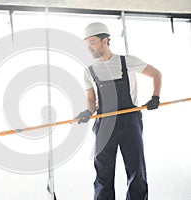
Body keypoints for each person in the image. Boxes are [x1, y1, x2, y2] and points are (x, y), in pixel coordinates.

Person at [75, 22, 162, 200]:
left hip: (129, 121)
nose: (89, 48)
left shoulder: (127, 61)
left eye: (92, 42)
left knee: (136, 170)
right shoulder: (89, 71)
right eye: (86, 44)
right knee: (103, 175)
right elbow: (91, 102)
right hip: (104, 124)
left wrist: (155, 97)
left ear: (105, 41)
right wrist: (87, 112)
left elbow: (156, 74)